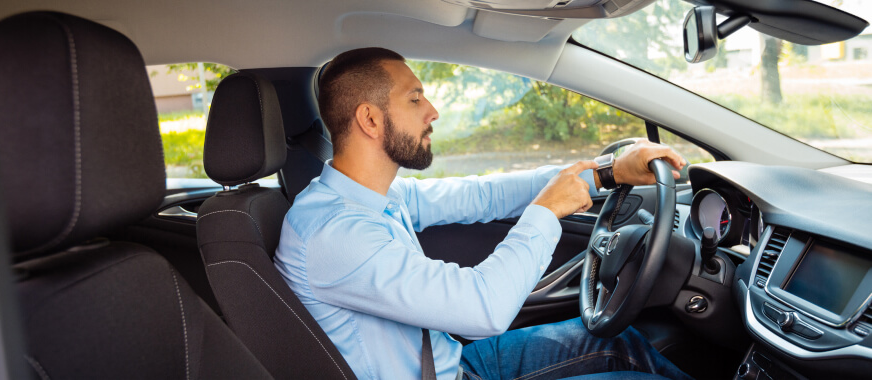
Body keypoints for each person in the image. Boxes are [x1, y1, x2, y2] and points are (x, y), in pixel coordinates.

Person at [274, 47, 692, 380]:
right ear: (369, 118)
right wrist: (546, 212)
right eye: (415, 98)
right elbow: (483, 309)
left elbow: (481, 195)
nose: (432, 110)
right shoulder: (333, 232)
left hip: (453, 367)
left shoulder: (368, 197)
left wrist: (606, 172)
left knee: (620, 342)